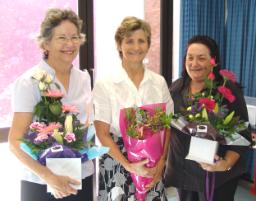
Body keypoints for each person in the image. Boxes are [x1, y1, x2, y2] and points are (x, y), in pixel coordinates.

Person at [8, 9, 94, 201]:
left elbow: (86, 126)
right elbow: (15, 142)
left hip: (80, 178)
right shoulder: (30, 81)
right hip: (41, 182)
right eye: (62, 37)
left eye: (74, 37)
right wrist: (50, 177)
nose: (70, 44)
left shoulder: (83, 79)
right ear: (46, 43)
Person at [92, 16, 174, 200]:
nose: (136, 47)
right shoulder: (105, 83)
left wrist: (162, 162)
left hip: (152, 160)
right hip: (117, 159)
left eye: (141, 41)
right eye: (129, 41)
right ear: (119, 45)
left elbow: (166, 126)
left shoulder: (158, 82)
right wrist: (129, 166)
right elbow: (102, 133)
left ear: (148, 45)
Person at [164, 35, 251, 201]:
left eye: (201, 58)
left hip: (216, 175)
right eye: (190, 58)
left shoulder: (226, 90)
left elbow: (243, 133)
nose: (194, 64)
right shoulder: (176, 88)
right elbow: (166, 124)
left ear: (213, 61)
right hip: (183, 172)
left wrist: (226, 164)